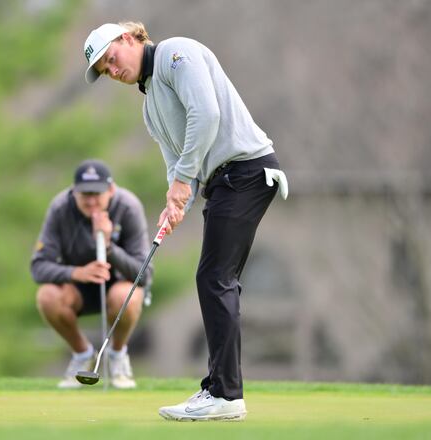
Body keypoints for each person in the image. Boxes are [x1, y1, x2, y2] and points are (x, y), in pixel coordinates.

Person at [83, 22, 288, 420]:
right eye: (106, 71)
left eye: (112, 59)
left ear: (128, 39)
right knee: (214, 278)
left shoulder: (176, 54)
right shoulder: (149, 106)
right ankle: (219, 389)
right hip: (223, 183)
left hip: (246, 171)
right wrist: (175, 202)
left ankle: (225, 395)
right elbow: (178, 165)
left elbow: (206, 115)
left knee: (214, 278)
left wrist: (181, 182)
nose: (113, 70)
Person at [30, 159, 151, 389]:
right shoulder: (60, 208)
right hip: (76, 288)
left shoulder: (128, 207)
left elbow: (143, 275)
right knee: (47, 296)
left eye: (97, 193)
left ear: (111, 190)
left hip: (118, 284)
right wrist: (77, 272)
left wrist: (108, 247)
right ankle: (83, 354)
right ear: (74, 191)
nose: (91, 200)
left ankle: (117, 357)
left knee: (125, 294)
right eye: (85, 194)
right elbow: (38, 267)